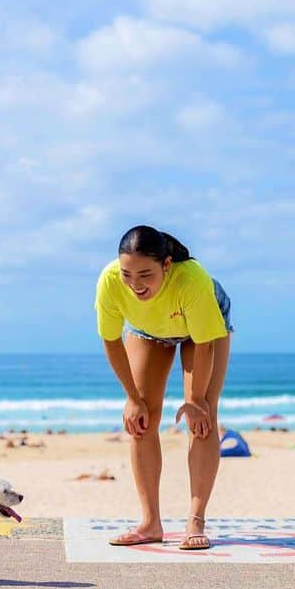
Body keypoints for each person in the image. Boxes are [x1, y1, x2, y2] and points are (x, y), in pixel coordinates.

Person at [95, 225, 233, 551]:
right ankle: (149, 523)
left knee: (202, 419)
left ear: (166, 265)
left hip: (200, 332)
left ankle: (196, 519)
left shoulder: (192, 279)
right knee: (140, 420)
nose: (136, 285)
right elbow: (111, 340)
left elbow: (204, 346)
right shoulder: (110, 282)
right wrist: (131, 399)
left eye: (145, 274)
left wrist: (196, 400)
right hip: (148, 330)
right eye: (128, 274)